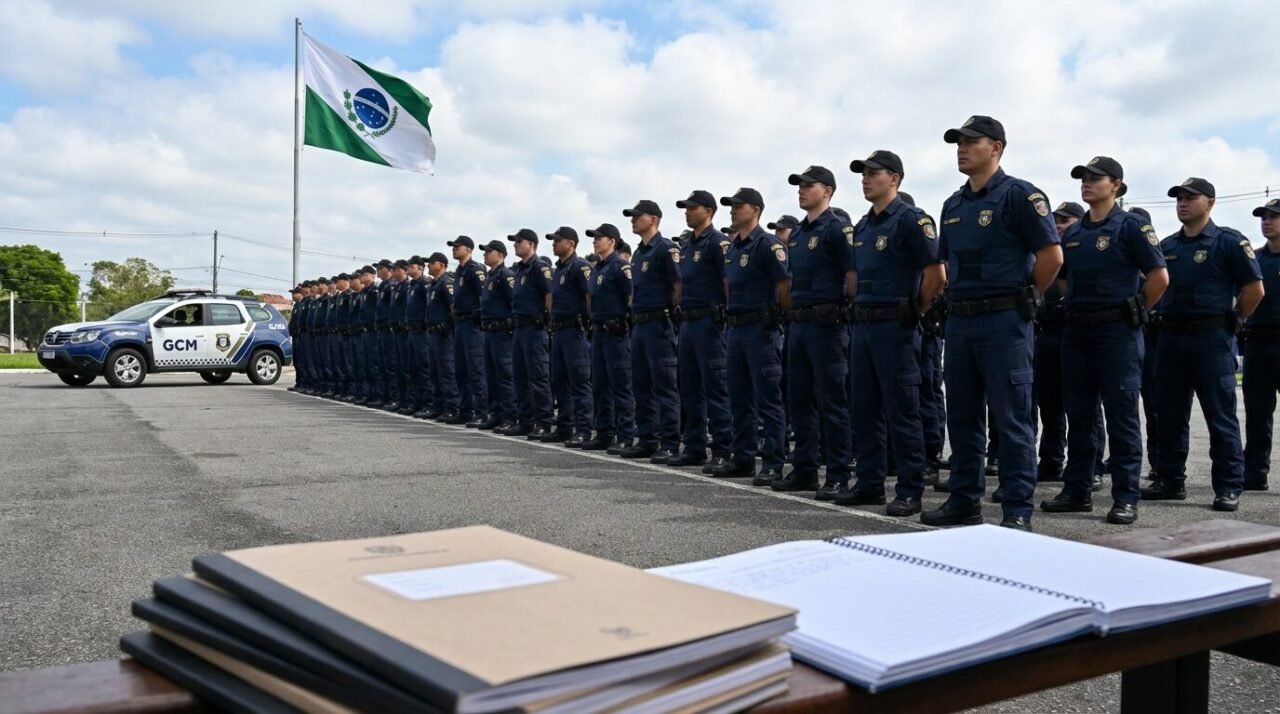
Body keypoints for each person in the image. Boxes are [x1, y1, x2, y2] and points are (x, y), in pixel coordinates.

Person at [922, 115, 1063, 531]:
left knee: (1011, 417)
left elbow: (1052, 256)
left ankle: (1017, 509)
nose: (962, 149)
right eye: (958, 143)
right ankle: (964, 501)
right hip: (961, 322)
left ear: (996, 147)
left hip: (1004, 320)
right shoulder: (953, 205)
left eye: (971, 142)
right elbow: (947, 264)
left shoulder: (1020, 196)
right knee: (963, 417)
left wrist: (1028, 294)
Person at [1040, 157, 1168, 525]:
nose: (1087, 183)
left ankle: (1125, 496)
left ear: (1116, 185)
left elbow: (1159, 278)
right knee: (1080, 415)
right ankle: (1077, 490)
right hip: (1077, 332)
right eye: (1083, 178)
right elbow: (1062, 277)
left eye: (1096, 178)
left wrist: (1136, 309)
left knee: (1121, 416)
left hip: (1117, 333)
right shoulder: (1074, 233)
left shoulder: (1131, 227)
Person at [1142, 178, 1264, 511]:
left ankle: (1228, 485)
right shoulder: (1167, 245)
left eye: (1190, 198)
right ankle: (1170, 479)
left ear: (1210, 202)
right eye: (1179, 198)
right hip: (1170, 338)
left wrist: (1236, 320)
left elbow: (1254, 289)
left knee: (1220, 416)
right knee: (1168, 414)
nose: (1182, 203)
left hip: (1211, 338)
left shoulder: (1228, 242)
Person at [837, 151, 945, 516]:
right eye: (863, 174)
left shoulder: (912, 220)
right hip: (863, 326)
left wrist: (917, 309)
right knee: (864, 409)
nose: (865, 179)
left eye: (873, 173)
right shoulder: (863, 227)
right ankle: (869, 483)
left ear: (894, 178)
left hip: (896, 326)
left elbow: (936, 275)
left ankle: (910, 488)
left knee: (902, 410)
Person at [777, 165, 855, 498]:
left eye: (809, 185)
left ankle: (837, 474)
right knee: (800, 400)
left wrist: (841, 309)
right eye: (800, 186)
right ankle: (805, 469)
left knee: (832, 402)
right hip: (800, 325)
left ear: (827, 191)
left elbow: (852, 275)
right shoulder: (797, 234)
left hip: (827, 325)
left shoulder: (836, 228)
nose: (801, 190)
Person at [711, 188, 791, 483]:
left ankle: (773, 462)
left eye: (738, 206)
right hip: (736, 329)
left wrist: (777, 317)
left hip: (761, 329)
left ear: (755, 210)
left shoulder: (768, 244)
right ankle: (743, 457)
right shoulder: (733, 249)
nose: (732, 210)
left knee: (768, 399)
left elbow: (784, 285)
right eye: (731, 206)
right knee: (739, 398)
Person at [670, 190, 733, 469]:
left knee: (716, 387)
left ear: (708, 211)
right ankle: (695, 447)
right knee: (690, 388)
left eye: (692, 208)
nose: (687, 212)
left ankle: (723, 449)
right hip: (688, 323)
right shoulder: (688, 247)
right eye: (686, 208)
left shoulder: (717, 243)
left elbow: (727, 282)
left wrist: (725, 317)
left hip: (710, 322)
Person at [620, 199, 682, 462]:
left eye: (638, 216)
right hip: (640, 325)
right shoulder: (639, 253)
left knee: (664, 386)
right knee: (641, 385)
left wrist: (672, 317)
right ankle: (647, 439)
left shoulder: (665, 248)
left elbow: (678, 286)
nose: (633, 220)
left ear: (653, 219)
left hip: (659, 324)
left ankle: (669, 442)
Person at [581, 223, 639, 453]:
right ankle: (604, 433)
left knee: (621, 385)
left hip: (617, 333)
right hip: (599, 332)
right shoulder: (598, 268)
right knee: (600, 385)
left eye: (599, 238)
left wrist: (626, 321)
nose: (595, 241)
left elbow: (631, 295)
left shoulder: (620, 266)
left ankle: (625, 435)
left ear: (612, 242)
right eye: (594, 238)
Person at [503, 228, 555, 438]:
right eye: (515, 242)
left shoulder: (539, 267)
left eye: (519, 242)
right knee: (521, 377)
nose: (515, 245)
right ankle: (526, 421)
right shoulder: (519, 270)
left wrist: (547, 320)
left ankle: (544, 422)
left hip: (534, 328)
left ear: (531, 244)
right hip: (519, 328)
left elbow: (549, 295)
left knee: (538, 377)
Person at [1243, 198, 1280, 491]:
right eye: (1263, 217)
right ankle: (1255, 473)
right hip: (1258, 341)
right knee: (1256, 412)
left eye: (1273, 217)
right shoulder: (1254, 259)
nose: (1266, 222)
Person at [547, 226, 594, 445]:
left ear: (571, 244)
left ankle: (583, 429)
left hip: (575, 330)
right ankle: (564, 427)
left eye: (558, 240)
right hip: (559, 331)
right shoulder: (559, 269)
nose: (554, 243)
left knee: (579, 382)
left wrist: (588, 321)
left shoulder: (579, 266)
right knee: (559, 381)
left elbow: (589, 295)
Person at [479, 240, 517, 431]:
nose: (485, 254)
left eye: (489, 251)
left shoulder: (506, 275)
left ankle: (510, 416)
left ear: (500, 255)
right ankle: (496, 414)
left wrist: (510, 325)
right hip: (489, 331)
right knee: (491, 376)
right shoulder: (490, 276)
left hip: (502, 332)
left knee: (505, 375)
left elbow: (514, 301)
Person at [424, 253, 460, 422]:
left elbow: (453, 307)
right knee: (434, 372)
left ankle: (452, 407)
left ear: (442, 265)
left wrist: (450, 327)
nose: (429, 265)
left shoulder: (446, 283)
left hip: (444, 335)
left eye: (432, 263)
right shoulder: (433, 284)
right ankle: (438, 406)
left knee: (447, 371)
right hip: (433, 333)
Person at [402, 256, 432, 416]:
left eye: (411, 266)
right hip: (412, 331)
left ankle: (428, 403)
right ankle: (416, 402)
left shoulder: (424, 283)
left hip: (421, 331)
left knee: (423, 368)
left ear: (420, 268)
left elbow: (429, 305)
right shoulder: (411, 285)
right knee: (412, 368)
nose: (408, 268)